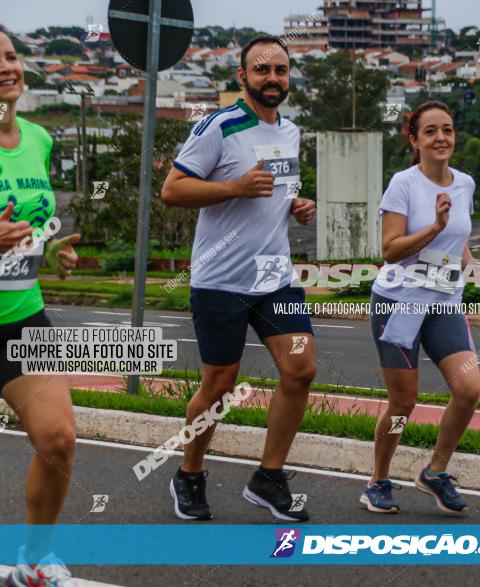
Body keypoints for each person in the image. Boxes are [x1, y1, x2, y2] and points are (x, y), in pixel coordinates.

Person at [162, 36, 317, 523]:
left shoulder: (291, 132)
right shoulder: (218, 126)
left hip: (274, 276)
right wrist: (234, 186)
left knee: (300, 370)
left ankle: (268, 478)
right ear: (242, 77)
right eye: (262, 69)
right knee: (220, 385)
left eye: (281, 70)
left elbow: (275, 193)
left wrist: (297, 206)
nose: (273, 78)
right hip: (220, 279)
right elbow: (172, 190)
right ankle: (189, 473)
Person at [0, 20, 81, 586]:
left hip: (21, 316)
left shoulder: (36, 139)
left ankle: (33, 559)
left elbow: (27, 220)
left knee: (59, 439)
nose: (8, 67)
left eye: (12, 56)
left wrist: (50, 250)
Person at [361, 101, 480, 515]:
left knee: (468, 390)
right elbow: (391, 250)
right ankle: (378, 480)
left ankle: (435, 471)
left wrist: (471, 261)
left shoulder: (465, 183)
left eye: (447, 130)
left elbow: (459, 232)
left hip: (445, 302)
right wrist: (432, 228)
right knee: (403, 403)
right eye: (430, 131)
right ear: (413, 140)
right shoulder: (403, 184)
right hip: (399, 304)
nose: (441, 138)